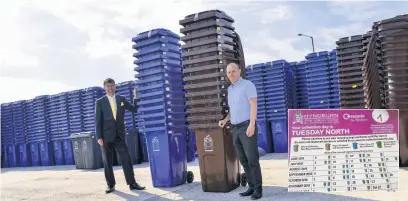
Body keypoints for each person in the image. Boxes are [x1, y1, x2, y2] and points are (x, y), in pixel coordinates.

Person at [219, 63, 263, 200]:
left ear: (239, 70)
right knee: (243, 160)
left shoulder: (248, 85)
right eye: (229, 72)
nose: (231, 74)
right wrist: (225, 120)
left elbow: (253, 104)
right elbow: (233, 110)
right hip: (235, 128)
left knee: (252, 159)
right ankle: (251, 187)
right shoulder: (230, 89)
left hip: (246, 127)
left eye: (233, 71)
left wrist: (252, 124)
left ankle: (258, 189)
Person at [95, 78, 146, 194]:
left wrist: (135, 97)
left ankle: (132, 183)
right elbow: (97, 120)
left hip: (119, 135)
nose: (110, 88)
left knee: (126, 159)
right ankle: (110, 185)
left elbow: (133, 109)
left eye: (112, 85)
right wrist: (99, 137)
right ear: (105, 88)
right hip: (106, 136)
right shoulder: (100, 101)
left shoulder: (121, 99)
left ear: (115, 86)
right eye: (108, 86)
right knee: (107, 162)